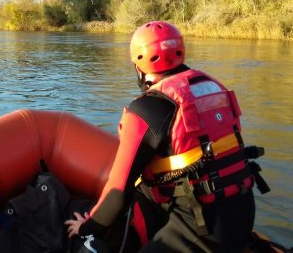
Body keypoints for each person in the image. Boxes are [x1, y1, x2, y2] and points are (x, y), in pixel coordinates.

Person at [65, 21, 269, 252]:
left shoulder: (147, 108)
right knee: (145, 191)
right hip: (243, 209)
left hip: (203, 230)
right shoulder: (213, 86)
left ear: (139, 66)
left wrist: (86, 228)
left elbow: (118, 191)